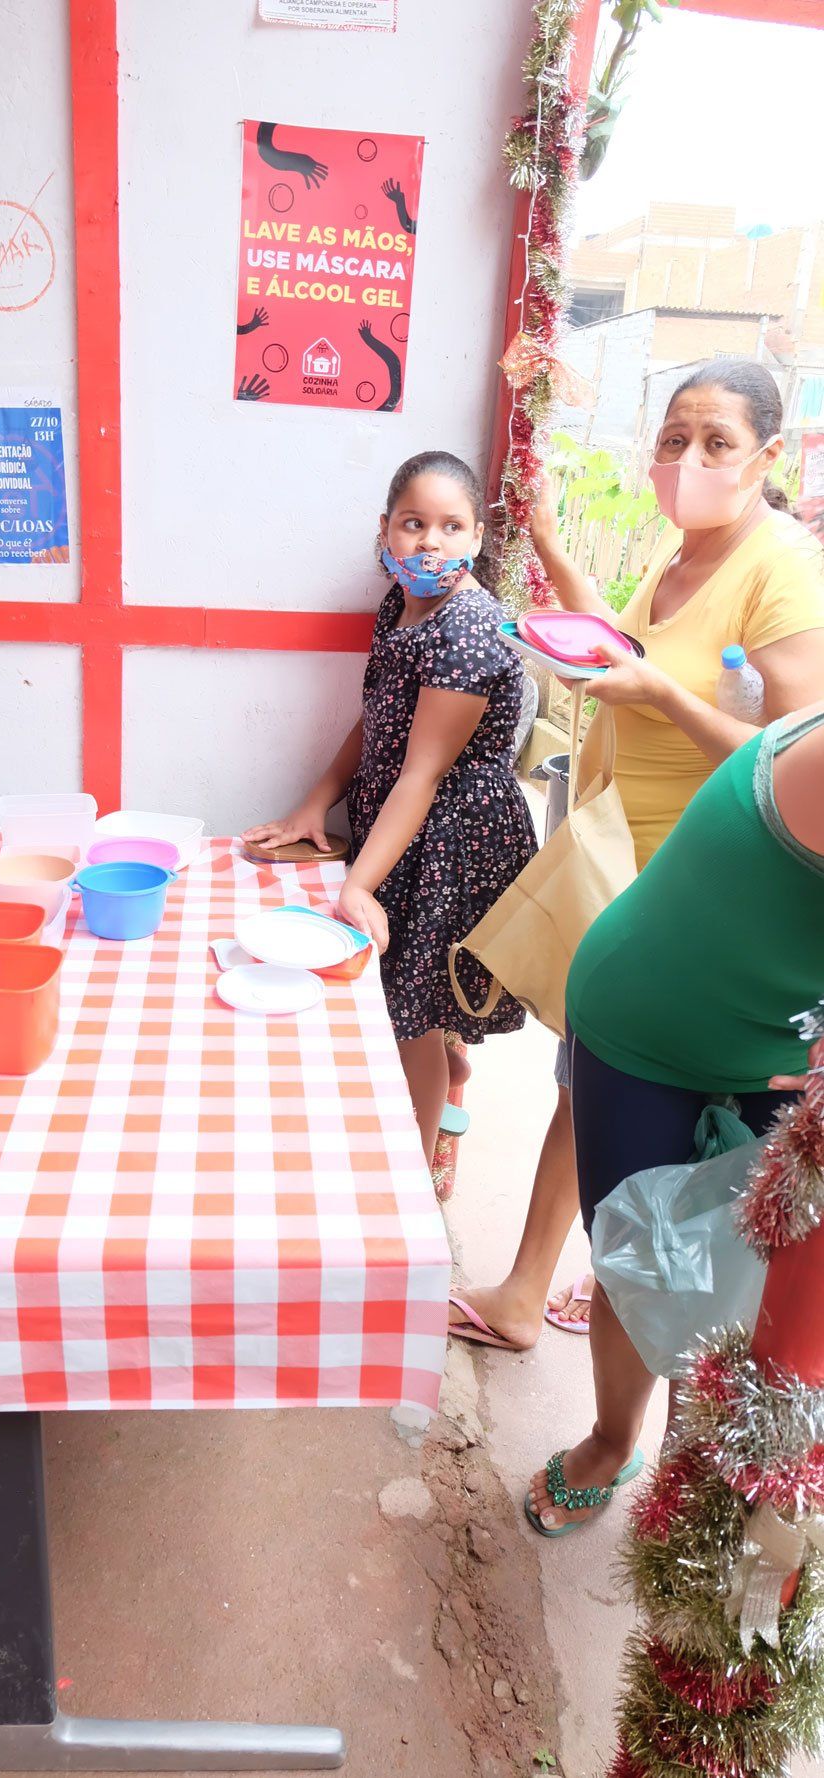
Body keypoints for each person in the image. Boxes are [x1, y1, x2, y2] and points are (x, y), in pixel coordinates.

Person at [450, 357, 824, 1352]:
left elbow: (790, 763)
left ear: (766, 457)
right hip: (629, 859)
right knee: (591, 1072)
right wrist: (546, 546)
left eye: (716, 442)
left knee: (637, 1093)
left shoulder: (780, 570)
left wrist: (656, 695)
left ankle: (620, 1302)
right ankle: (553, 1285)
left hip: (706, 889)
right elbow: (621, 645)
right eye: (672, 440)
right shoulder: (683, 546)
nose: (687, 461)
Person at [525, 700, 824, 1534]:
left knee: (741, 1288)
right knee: (637, 1265)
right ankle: (611, 1440)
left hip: (789, 1046)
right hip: (645, 1024)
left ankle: (688, 1476)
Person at [243, 450, 537, 1167]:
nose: (430, 542)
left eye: (451, 526)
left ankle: (414, 1172)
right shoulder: (400, 601)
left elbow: (423, 773)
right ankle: (445, 1077)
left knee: (411, 1018)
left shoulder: (466, 630)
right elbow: (378, 720)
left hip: (453, 841)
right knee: (413, 996)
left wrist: (358, 884)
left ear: (476, 537)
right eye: (413, 523)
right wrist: (316, 804)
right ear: (386, 530)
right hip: (405, 827)